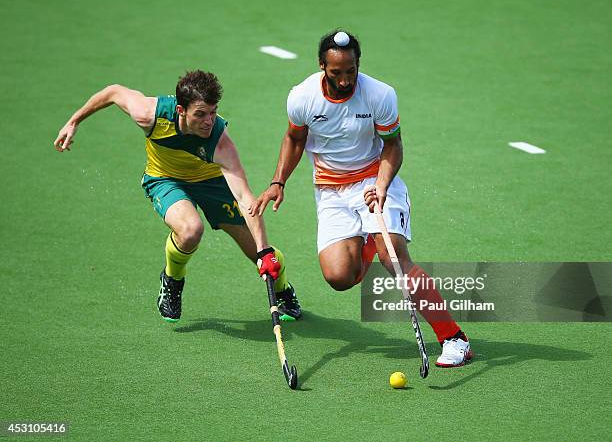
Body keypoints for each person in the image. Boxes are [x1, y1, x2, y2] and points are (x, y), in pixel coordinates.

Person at [250, 30, 471, 367]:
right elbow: (294, 139)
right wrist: (278, 181)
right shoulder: (302, 97)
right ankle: (369, 239)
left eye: (350, 71)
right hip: (330, 189)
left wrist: (382, 186)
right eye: (336, 72)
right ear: (322, 65)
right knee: (340, 277)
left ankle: (453, 338)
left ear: (358, 64)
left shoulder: (379, 95)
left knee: (394, 256)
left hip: (374, 178)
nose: (344, 79)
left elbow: (393, 146)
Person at [53, 70, 301, 322]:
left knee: (252, 248)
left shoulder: (220, 143)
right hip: (164, 179)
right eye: (200, 114)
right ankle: (172, 279)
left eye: (213, 112)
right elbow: (114, 91)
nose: (209, 121)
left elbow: (245, 198)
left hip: (210, 181)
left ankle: (282, 290)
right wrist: (74, 121)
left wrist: (264, 250)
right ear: (181, 111)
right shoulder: (150, 114)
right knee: (191, 229)